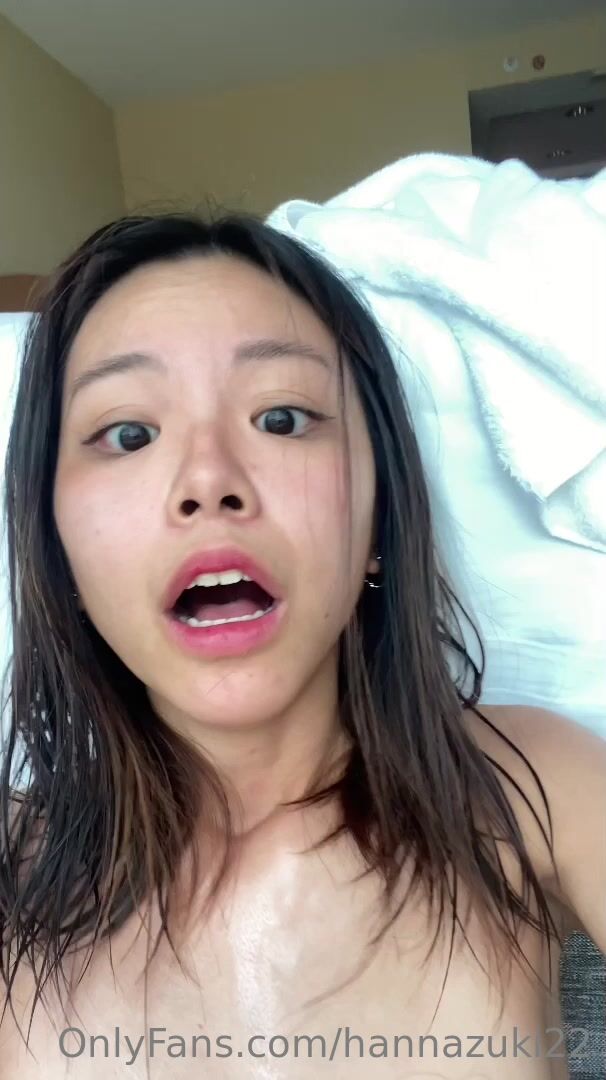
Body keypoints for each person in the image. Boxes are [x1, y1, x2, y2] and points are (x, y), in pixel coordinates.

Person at [0, 211, 603, 1080]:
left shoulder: (536, 787)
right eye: (129, 434)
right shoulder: (10, 870)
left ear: (379, 520)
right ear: (55, 547)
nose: (208, 479)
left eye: (282, 417)